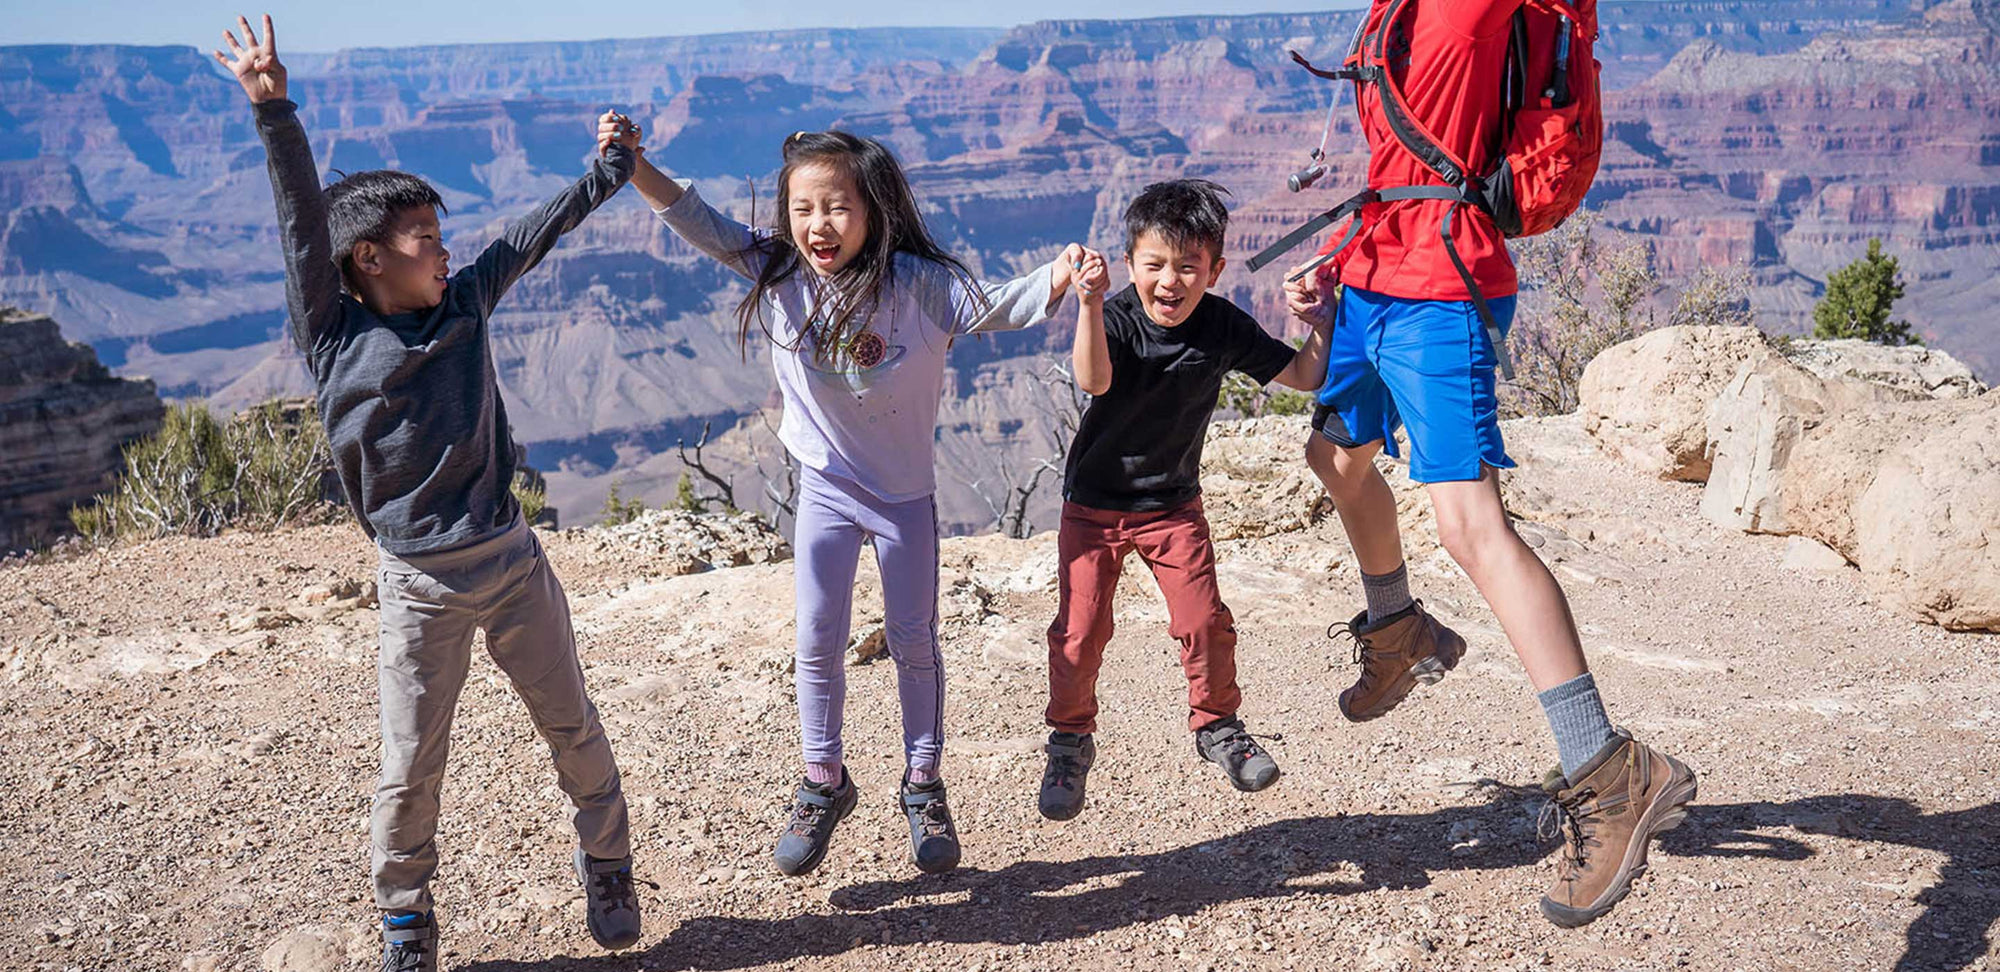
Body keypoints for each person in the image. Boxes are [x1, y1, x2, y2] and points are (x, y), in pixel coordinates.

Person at [218, 16, 645, 969]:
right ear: (368, 259)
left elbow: (536, 232)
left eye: (443, 237)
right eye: (423, 240)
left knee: (571, 721)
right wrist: (272, 106)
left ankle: (608, 861)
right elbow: (300, 221)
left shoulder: (464, 301)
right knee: (411, 764)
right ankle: (406, 913)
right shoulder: (332, 335)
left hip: (512, 562)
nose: (444, 252)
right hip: (416, 583)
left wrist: (609, 170)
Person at [1285, 0, 1697, 928]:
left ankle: (1609, 770)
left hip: (1442, 283)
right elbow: (1406, 140)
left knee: (1470, 525)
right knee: (1336, 458)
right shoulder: (1393, 11)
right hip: (1375, 265)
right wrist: (1341, 259)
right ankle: (1398, 628)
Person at [623, 129, 1089, 877]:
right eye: (803, 209)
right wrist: (635, 166)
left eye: (837, 207)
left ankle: (924, 783)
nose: (818, 225)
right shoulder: (778, 272)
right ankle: (822, 782)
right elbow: (694, 218)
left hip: (904, 497)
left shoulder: (917, 284)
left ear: (872, 209)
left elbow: (997, 306)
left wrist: (1060, 272)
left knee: (913, 641)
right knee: (816, 639)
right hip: (827, 493)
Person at [1038, 180, 1335, 822]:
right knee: (1080, 634)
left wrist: (1321, 327)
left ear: (1215, 269)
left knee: (1203, 622)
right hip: (1094, 506)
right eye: (1155, 266)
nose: (1170, 281)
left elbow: (1304, 378)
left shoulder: (1222, 324)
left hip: (1174, 507)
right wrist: (1088, 306)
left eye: (1188, 267)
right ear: (1131, 264)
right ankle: (1069, 741)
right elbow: (1092, 381)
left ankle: (1218, 728)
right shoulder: (1114, 317)